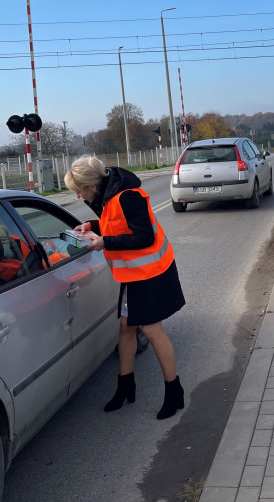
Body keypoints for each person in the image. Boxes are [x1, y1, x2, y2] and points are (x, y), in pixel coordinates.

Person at [64, 155, 186, 420]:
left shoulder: (127, 195)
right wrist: (91, 226)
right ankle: (125, 386)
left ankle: (174, 391)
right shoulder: (108, 196)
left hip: (152, 271)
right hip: (135, 273)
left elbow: (143, 236)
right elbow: (116, 225)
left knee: (153, 331)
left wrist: (104, 242)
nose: (78, 196)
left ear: (91, 185)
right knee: (126, 328)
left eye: (79, 191)